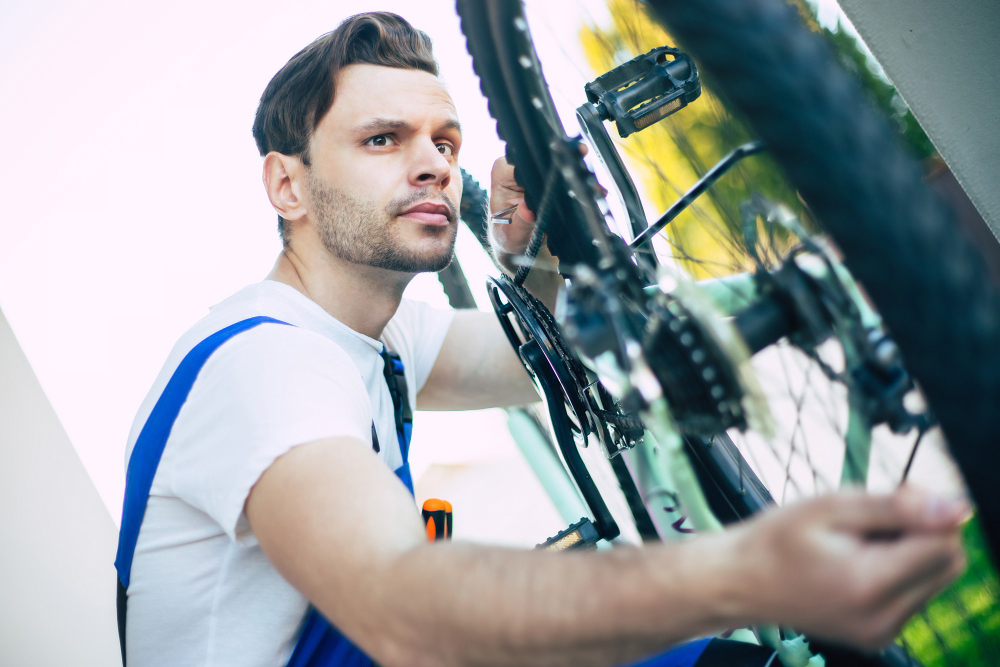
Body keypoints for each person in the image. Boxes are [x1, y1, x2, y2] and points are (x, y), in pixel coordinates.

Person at [115, 12, 967, 667]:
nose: (434, 166)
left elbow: (545, 363)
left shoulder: (380, 330)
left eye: (444, 142)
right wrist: (747, 572)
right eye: (382, 140)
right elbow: (406, 610)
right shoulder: (262, 364)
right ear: (287, 183)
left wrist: (535, 256)